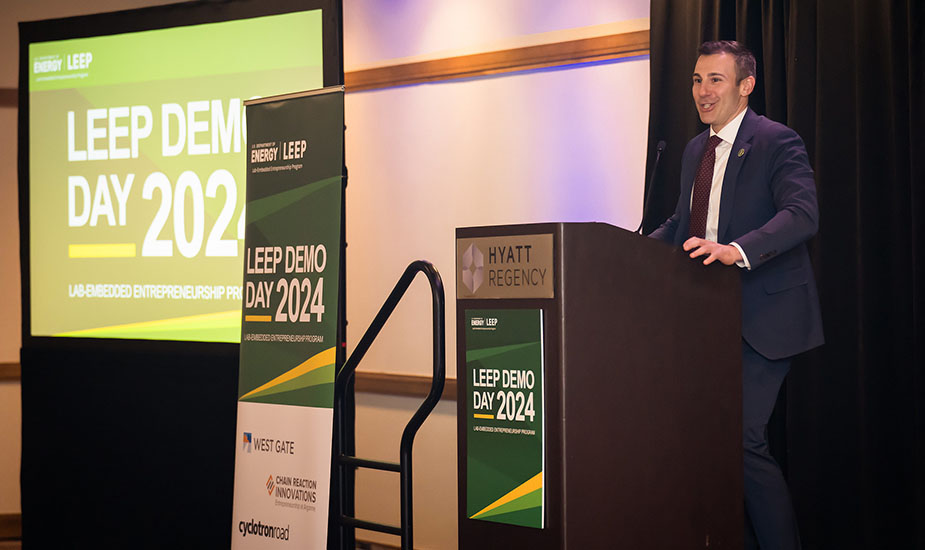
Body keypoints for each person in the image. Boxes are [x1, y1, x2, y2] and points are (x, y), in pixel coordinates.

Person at [650, 40, 823, 549]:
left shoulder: (776, 141)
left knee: (742, 442)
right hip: (707, 321)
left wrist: (736, 250)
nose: (703, 92)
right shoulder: (693, 150)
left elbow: (802, 213)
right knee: (710, 447)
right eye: (697, 80)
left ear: (746, 85)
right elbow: (682, 224)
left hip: (765, 319)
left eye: (716, 80)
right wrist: (616, 250)